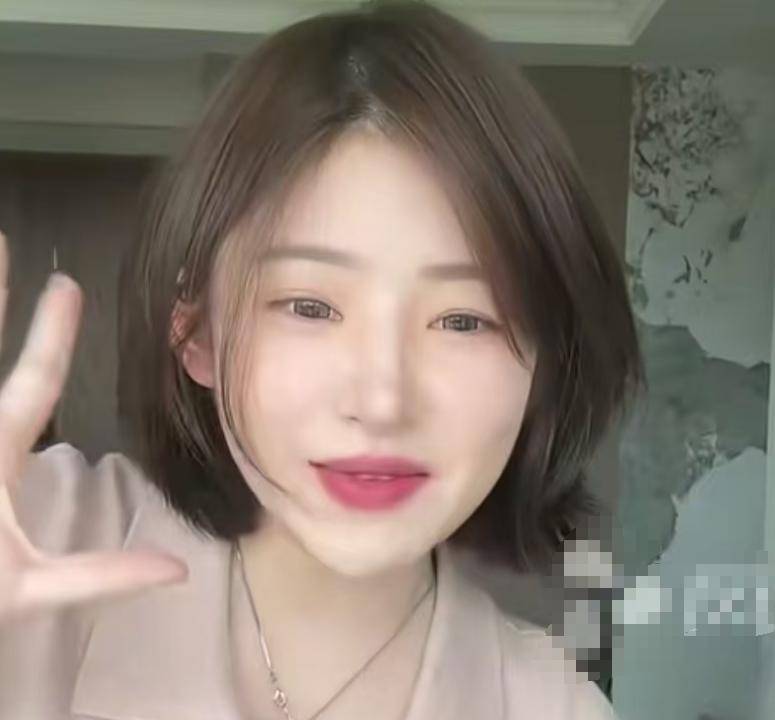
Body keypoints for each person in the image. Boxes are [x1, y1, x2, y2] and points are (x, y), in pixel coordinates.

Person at [0, 1, 644, 718]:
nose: (381, 400)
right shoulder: (35, 531)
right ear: (197, 333)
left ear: (543, 368)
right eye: (309, 307)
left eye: (463, 320)